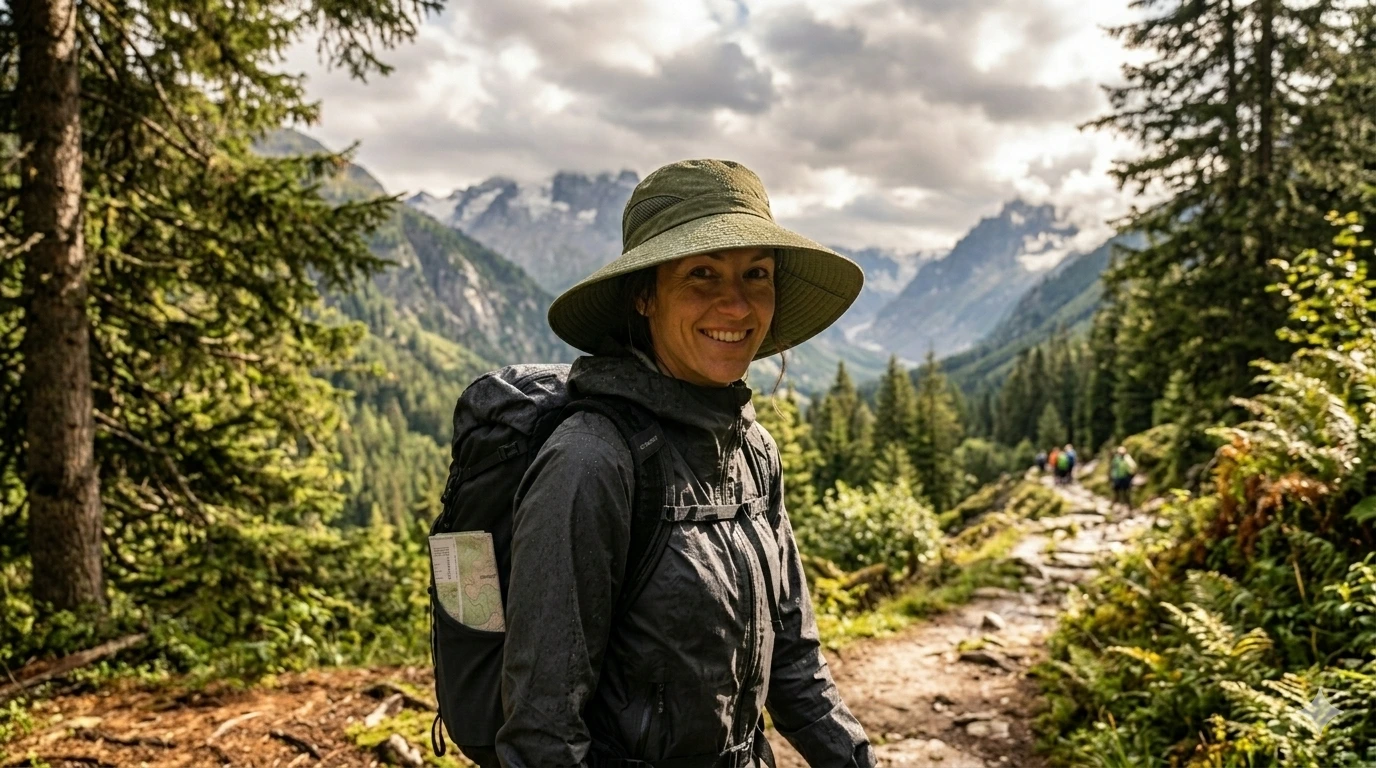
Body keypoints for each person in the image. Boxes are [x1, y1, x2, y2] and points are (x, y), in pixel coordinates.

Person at [497, 160, 874, 768]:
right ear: (644, 295)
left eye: (757, 274)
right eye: (702, 273)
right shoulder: (592, 462)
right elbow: (543, 733)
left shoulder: (754, 453)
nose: (736, 304)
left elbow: (795, 663)